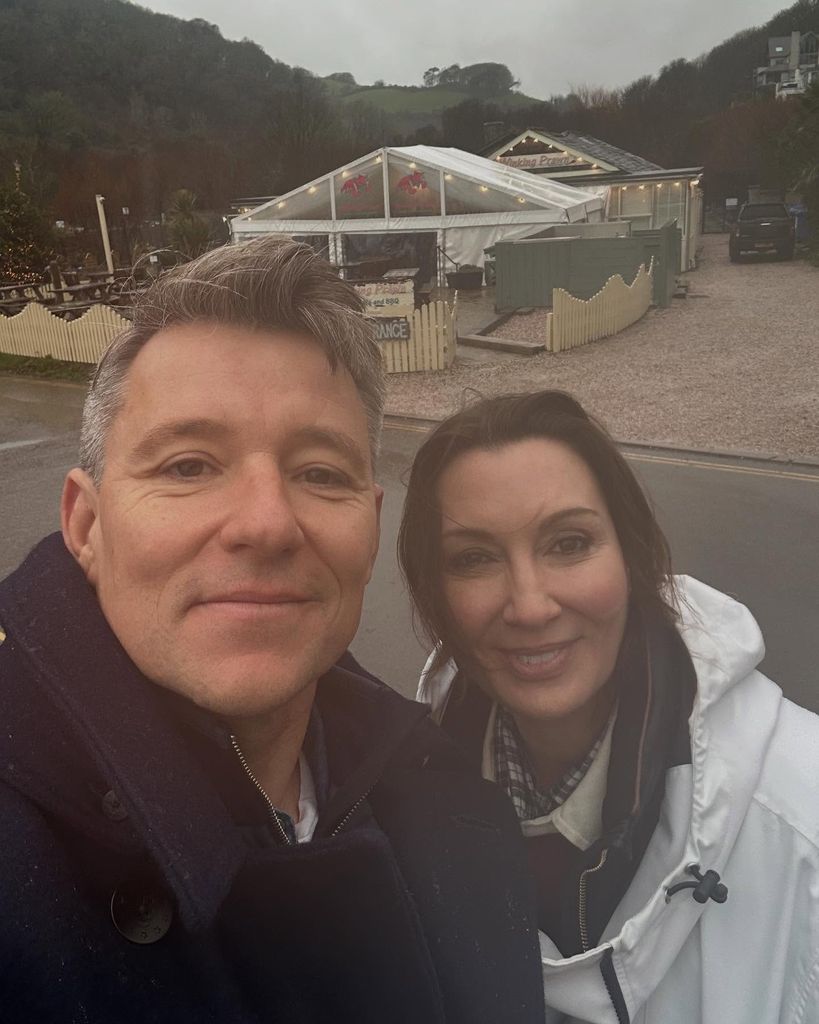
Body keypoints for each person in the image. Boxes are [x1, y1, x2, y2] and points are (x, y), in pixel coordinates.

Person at [0, 239, 545, 1024]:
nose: (266, 523)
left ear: (370, 523)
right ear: (86, 525)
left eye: (321, 473)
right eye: (188, 465)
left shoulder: (454, 807)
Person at [398, 390, 819, 1024]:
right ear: (435, 594)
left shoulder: (801, 816)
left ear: (633, 556)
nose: (531, 605)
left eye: (568, 543)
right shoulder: (403, 799)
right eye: (474, 558)